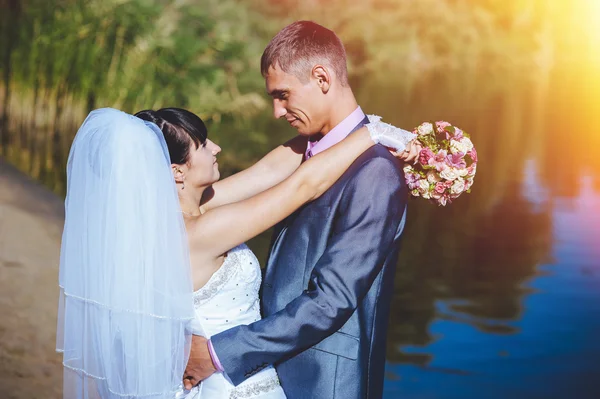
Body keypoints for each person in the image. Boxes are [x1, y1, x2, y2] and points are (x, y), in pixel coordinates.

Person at [56, 106, 417, 398]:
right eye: (202, 145)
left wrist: (343, 120)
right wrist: (373, 134)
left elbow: (271, 168)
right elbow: (301, 187)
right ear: (176, 172)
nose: (216, 148)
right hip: (233, 386)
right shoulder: (203, 231)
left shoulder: (181, 215)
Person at [184, 21, 419, 399]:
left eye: (283, 95)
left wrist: (218, 353)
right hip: (265, 371)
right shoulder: (305, 151)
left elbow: (331, 300)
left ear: (322, 77)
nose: (277, 111)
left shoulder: (375, 172)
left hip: (323, 382)